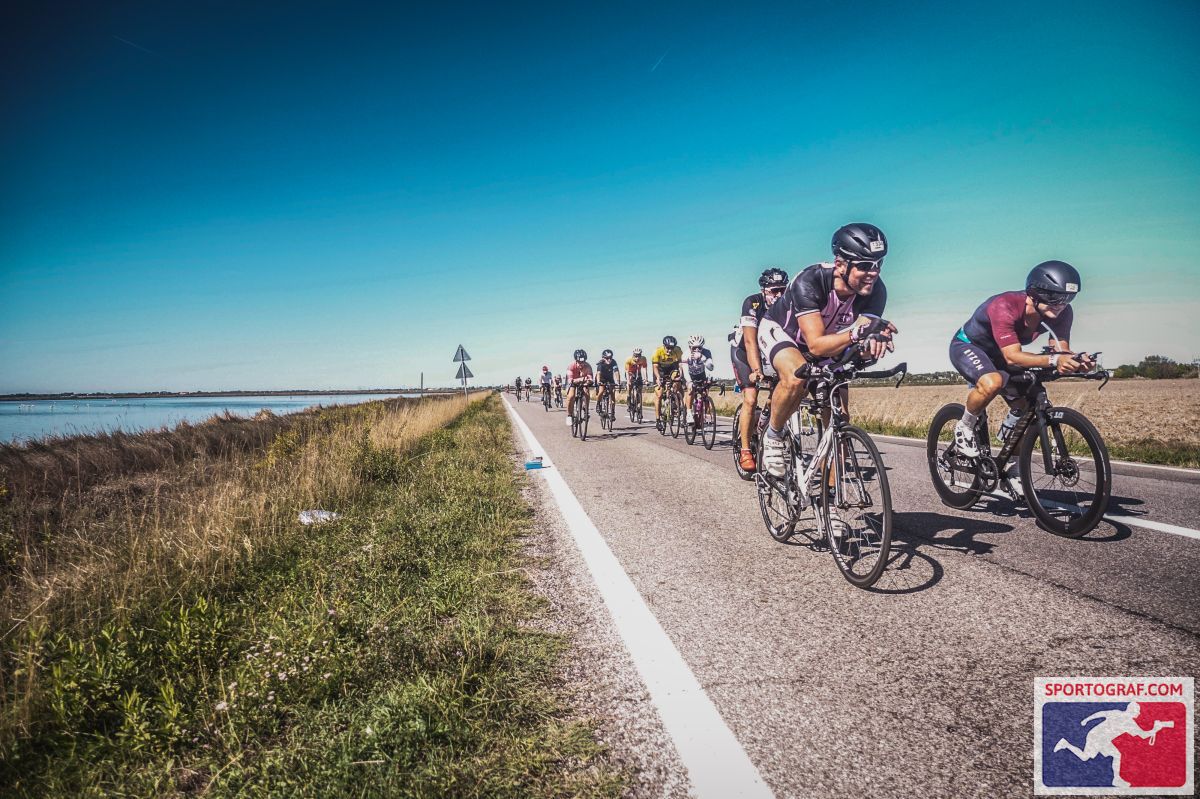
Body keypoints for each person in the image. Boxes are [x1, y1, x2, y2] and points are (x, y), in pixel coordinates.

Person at [757, 223, 898, 478]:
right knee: (795, 376)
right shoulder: (811, 281)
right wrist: (858, 334)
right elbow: (815, 345)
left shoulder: (876, 292)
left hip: (828, 342)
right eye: (865, 265)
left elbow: (859, 343)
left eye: (879, 264)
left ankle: (830, 502)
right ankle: (773, 434)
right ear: (841, 264)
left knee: (839, 415)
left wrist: (872, 344)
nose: (873, 273)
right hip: (784, 333)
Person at [949, 260, 1092, 457]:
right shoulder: (1004, 305)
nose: (1061, 304)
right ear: (1034, 293)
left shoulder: (1063, 313)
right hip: (969, 347)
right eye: (1054, 297)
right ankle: (964, 426)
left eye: (1069, 297)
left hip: (1002, 354)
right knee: (993, 382)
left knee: (1028, 413)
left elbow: (1060, 350)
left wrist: (1077, 361)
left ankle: (1013, 469)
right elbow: (1013, 358)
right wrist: (1053, 361)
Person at [730, 267, 788, 471]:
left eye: (783, 289)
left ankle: (764, 426)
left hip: (768, 354)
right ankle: (745, 450)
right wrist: (756, 370)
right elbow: (750, 340)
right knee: (751, 398)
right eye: (774, 291)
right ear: (764, 290)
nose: (779, 295)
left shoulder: (789, 304)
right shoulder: (752, 303)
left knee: (781, 394)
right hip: (745, 354)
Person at [682, 335, 714, 424]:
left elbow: (711, 368)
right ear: (690, 347)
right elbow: (685, 370)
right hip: (689, 375)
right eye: (694, 348)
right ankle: (688, 413)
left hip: (701, 375)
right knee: (690, 390)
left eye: (699, 348)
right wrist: (689, 382)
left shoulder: (706, 352)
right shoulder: (685, 354)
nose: (696, 350)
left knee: (705, 393)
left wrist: (703, 358)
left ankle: (703, 415)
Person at [652, 335, 683, 422]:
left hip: (672, 368)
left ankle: (674, 399)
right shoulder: (657, 351)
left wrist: (681, 375)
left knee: (677, 379)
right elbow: (655, 367)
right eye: (668, 348)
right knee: (659, 394)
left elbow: (680, 364)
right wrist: (658, 378)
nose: (670, 350)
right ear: (664, 346)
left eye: (671, 348)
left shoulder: (678, 350)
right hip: (660, 369)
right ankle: (658, 419)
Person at [565, 349, 593, 426]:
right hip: (573, 382)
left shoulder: (588, 366)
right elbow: (570, 380)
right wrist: (582, 379)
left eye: (583, 362)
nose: (581, 364)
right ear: (576, 361)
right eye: (579, 362)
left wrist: (589, 381)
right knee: (571, 396)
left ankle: (586, 410)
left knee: (586, 392)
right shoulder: (571, 366)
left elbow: (590, 378)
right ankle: (569, 415)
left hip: (583, 382)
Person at [594, 349, 621, 419]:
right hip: (602, 378)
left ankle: (612, 412)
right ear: (603, 358)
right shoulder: (601, 363)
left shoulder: (613, 362)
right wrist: (599, 382)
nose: (609, 360)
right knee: (601, 391)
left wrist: (618, 381)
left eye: (610, 358)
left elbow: (616, 372)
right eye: (607, 358)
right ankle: (598, 404)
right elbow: (598, 374)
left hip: (610, 378)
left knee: (612, 393)